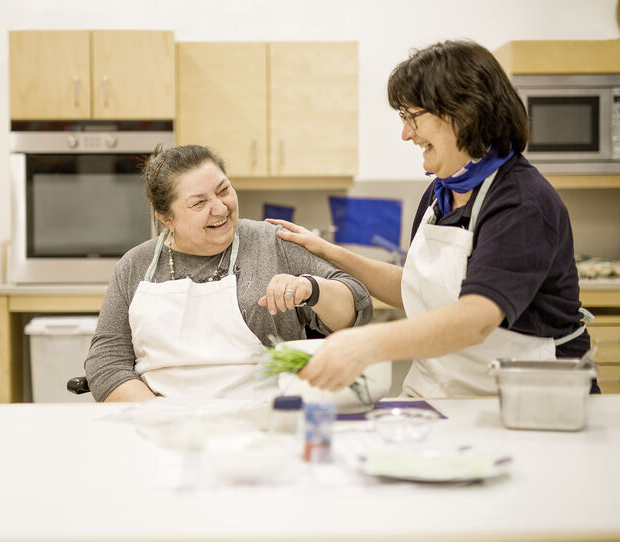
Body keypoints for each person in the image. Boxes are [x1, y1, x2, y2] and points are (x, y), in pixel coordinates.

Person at [269, 39, 596, 398]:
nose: (406, 134)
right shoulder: (441, 192)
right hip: (441, 395)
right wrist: (328, 251)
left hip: (525, 401)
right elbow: (417, 288)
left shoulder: (521, 201)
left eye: (413, 117)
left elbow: (476, 319)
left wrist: (365, 344)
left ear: (465, 113)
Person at [84, 144, 373, 402]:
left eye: (224, 190)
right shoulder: (134, 265)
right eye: (199, 203)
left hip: (264, 422)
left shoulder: (273, 243)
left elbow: (357, 309)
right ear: (165, 217)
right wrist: (160, 417)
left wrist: (313, 289)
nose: (220, 208)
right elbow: (106, 362)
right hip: (161, 426)